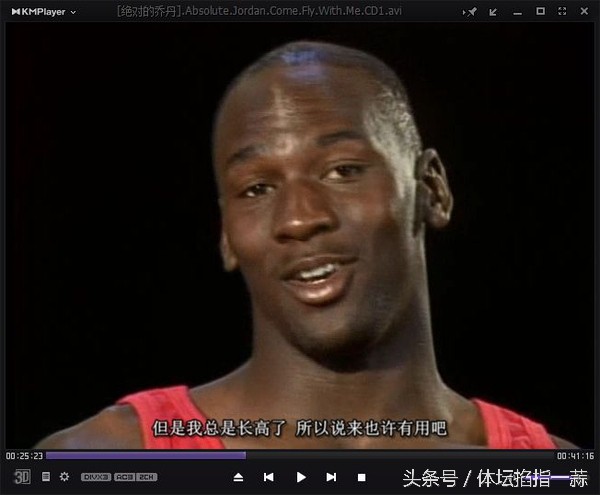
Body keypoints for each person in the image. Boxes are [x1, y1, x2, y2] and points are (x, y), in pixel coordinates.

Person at [35, 41, 576, 450]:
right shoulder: (107, 456)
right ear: (226, 234)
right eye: (257, 188)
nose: (299, 218)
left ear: (432, 190)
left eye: (343, 170)